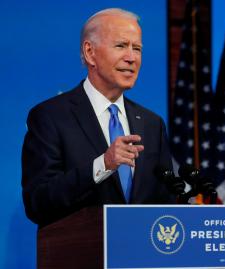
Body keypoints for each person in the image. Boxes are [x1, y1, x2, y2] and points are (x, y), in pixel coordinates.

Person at [21, 8, 175, 227]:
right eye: (121, 46)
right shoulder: (50, 117)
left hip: (140, 259)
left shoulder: (152, 123)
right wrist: (103, 164)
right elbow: (38, 202)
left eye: (137, 48)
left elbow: (164, 203)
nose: (131, 58)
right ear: (90, 52)